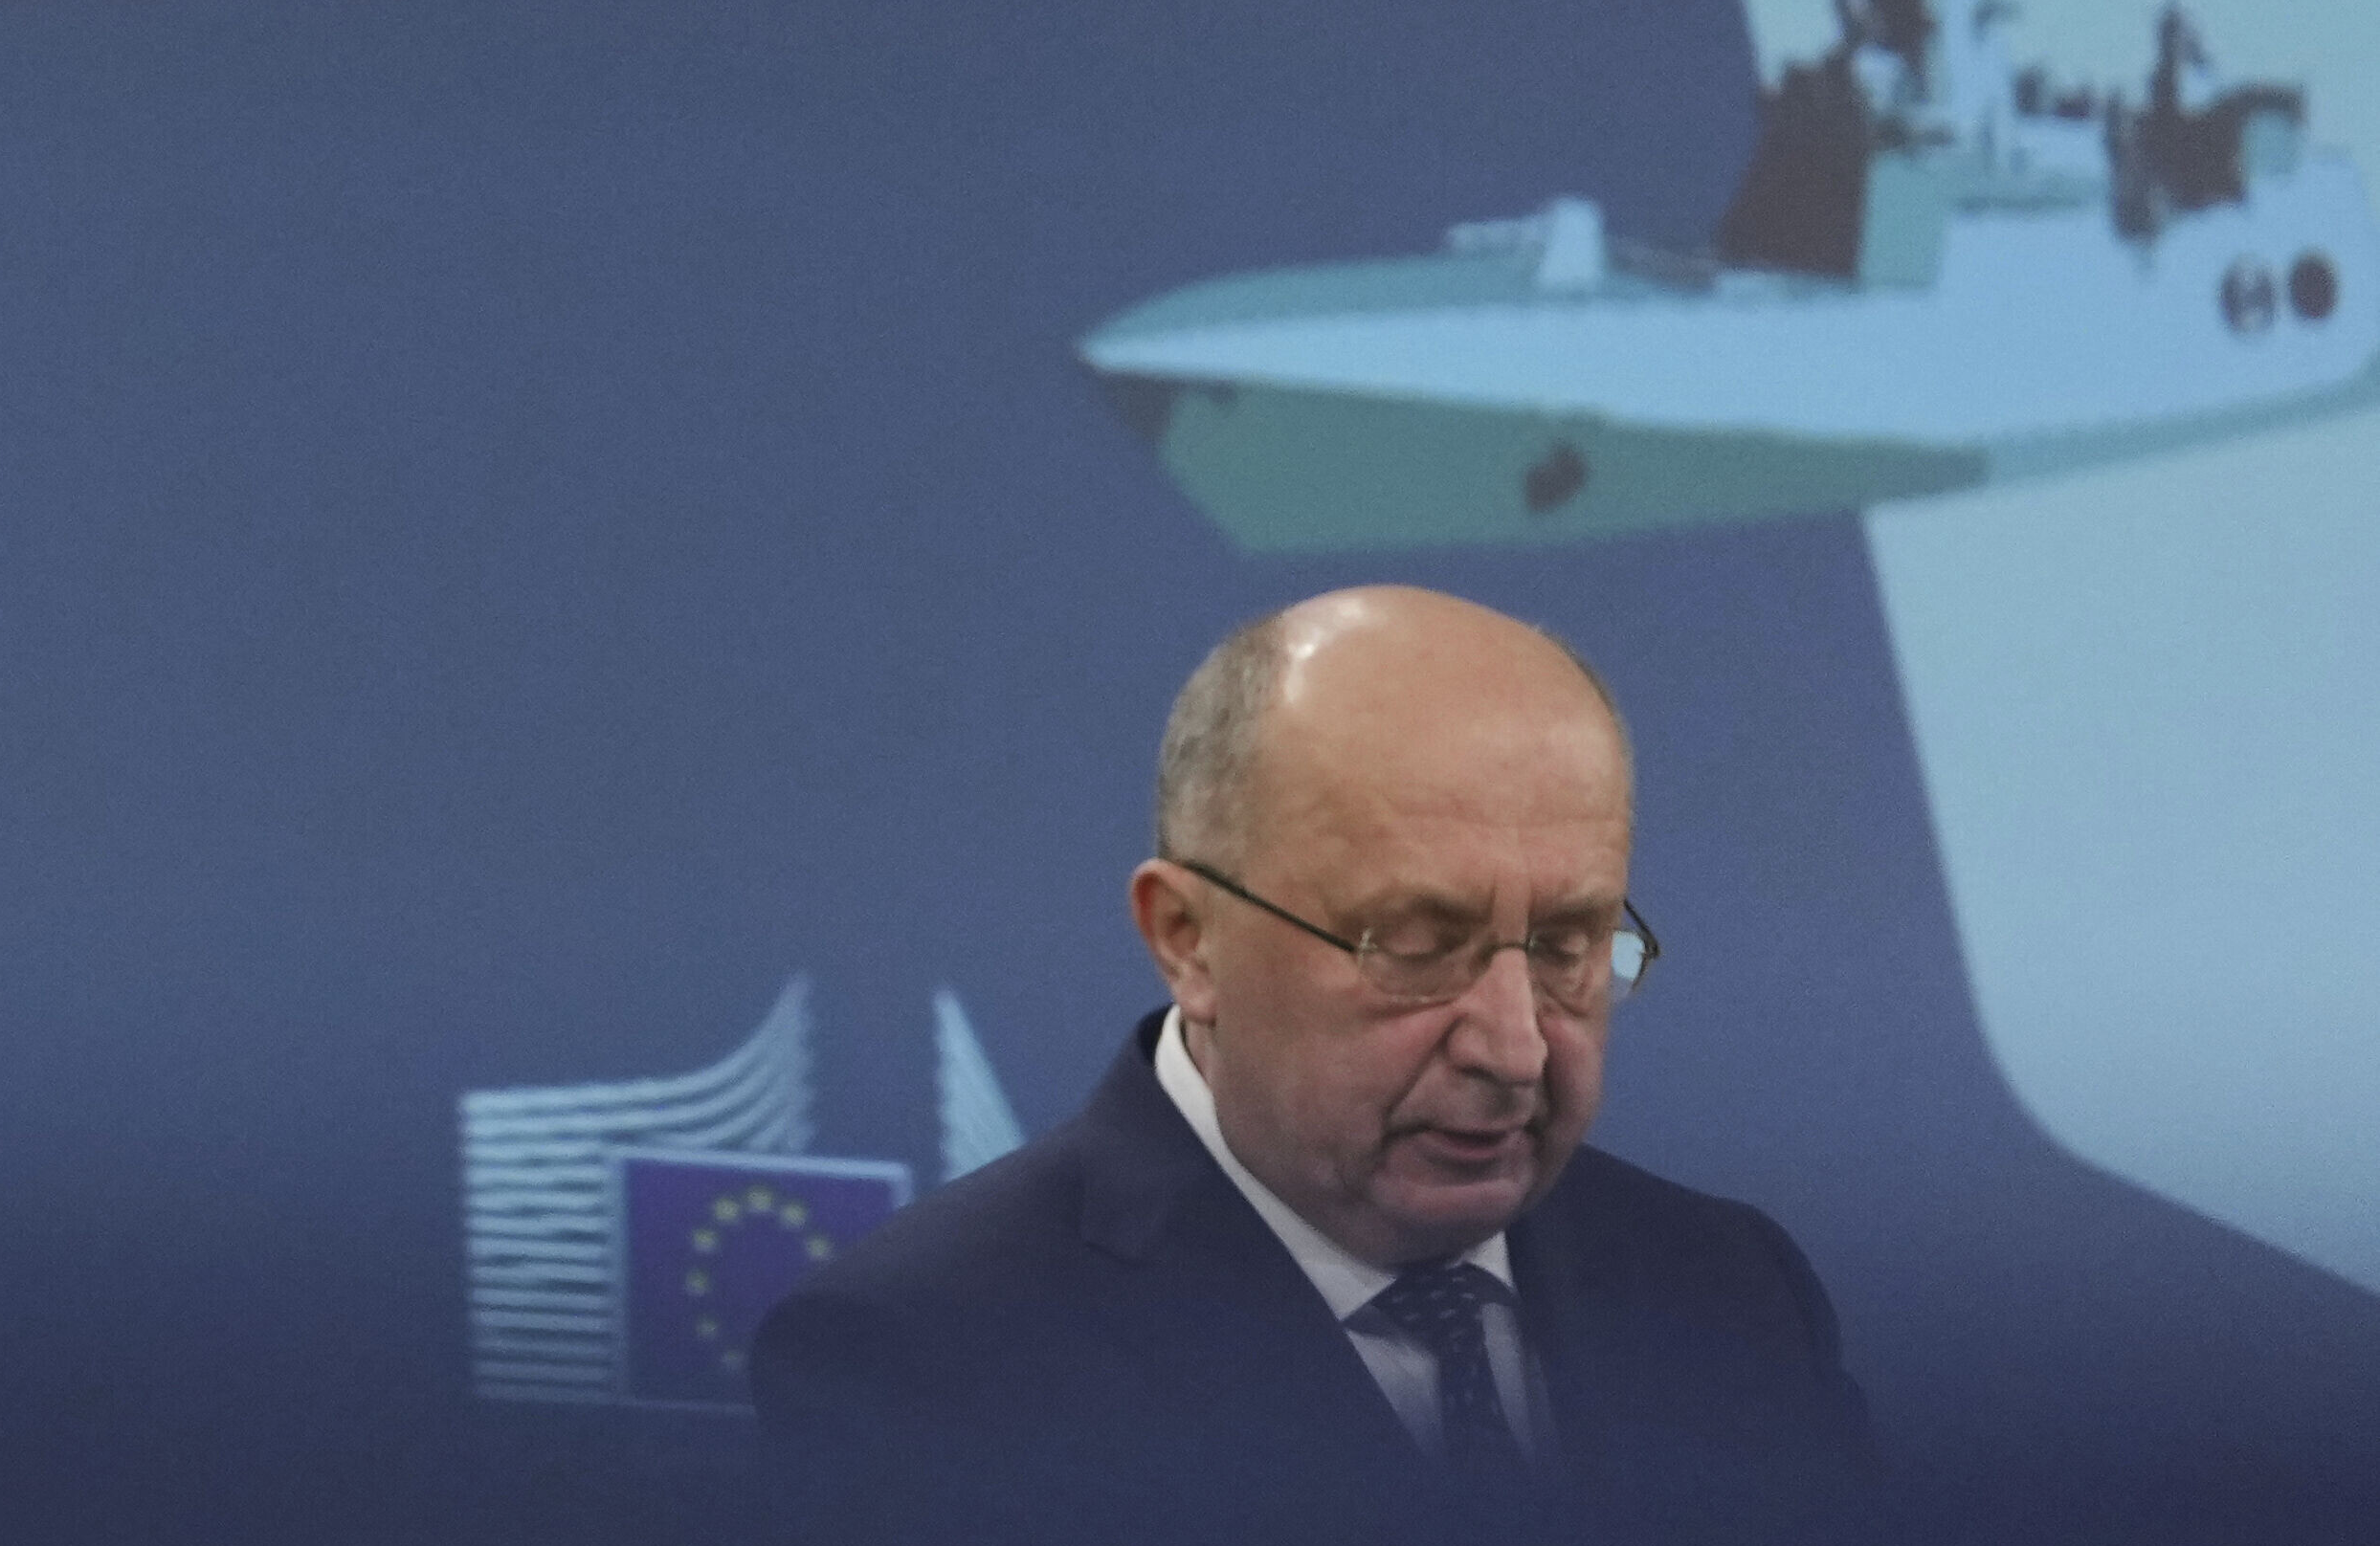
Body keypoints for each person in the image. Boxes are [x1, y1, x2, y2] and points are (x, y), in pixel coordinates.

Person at [751, 583, 1863, 1474]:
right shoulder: (931, 1363)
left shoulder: (1729, 1297)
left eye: (1567, 945)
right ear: (1187, 938)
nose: (1513, 1049)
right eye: (1418, 942)